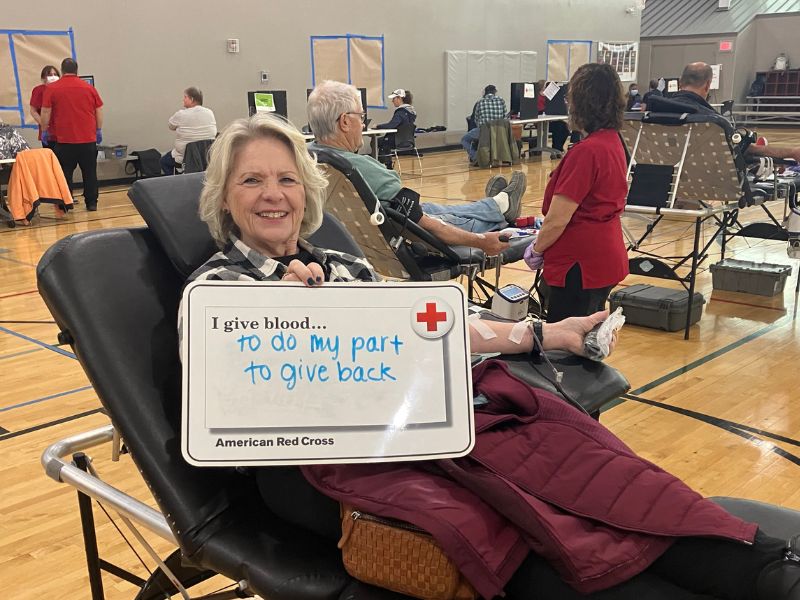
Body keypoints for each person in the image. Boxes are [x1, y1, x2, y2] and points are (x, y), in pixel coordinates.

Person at [184, 117, 800, 600]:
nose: (273, 195)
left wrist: (547, 335)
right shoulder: (214, 292)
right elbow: (222, 390)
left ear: (306, 191)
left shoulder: (348, 268)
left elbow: (440, 329)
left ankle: (772, 569)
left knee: (606, 483)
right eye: (252, 180)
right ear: (225, 197)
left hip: (436, 423)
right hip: (341, 465)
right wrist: (283, 324)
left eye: (286, 178)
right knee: (519, 531)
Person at [307, 80, 525, 256]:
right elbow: (426, 224)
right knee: (443, 215)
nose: (363, 124)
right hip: (406, 233)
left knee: (440, 208)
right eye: (361, 116)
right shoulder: (357, 168)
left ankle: (495, 204)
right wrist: (480, 241)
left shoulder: (307, 158)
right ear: (345, 122)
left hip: (370, 231)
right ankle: (498, 210)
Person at [524, 63, 629, 323]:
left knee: (565, 345)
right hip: (604, 258)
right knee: (588, 338)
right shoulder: (613, 141)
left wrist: (537, 249)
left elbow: (559, 218)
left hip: (579, 266)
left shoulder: (586, 152)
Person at [653, 62, 800, 163]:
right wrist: (792, 152)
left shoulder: (654, 113)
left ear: (680, 82)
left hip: (660, 176)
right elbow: (747, 150)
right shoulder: (712, 120)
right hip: (707, 177)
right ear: (708, 85)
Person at [41, 58, 103, 211]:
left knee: (65, 172)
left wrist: (44, 129)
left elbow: (46, 111)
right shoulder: (89, 88)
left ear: (62, 71)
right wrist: (98, 129)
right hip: (87, 139)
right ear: (77, 70)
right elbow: (98, 110)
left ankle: (66, 203)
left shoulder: (53, 89)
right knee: (89, 172)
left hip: (65, 140)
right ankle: (91, 203)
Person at [161, 86, 217, 175]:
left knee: (164, 161)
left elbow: (171, 126)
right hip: (206, 156)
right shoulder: (210, 112)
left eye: (185, 97)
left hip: (185, 156)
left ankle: (175, 184)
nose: (183, 100)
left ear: (191, 99)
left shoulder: (181, 114)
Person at [461, 84, 507, 164]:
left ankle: (476, 157)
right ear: (495, 92)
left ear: (484, 93)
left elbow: (476, 119)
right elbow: (504, 118)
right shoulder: (501, 100)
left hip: (484, 131)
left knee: (464, 140)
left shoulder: (480, 102)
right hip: (498, 131)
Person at [373, 88, 417, 169]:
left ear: (399, 98)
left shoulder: (400, 112)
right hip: (408, 141)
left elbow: (391, 125)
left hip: (397, 140)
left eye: (394, 98)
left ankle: (383, 166)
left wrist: (378, 126)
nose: (392, 101)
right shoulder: (412, 112)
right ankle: (387, 164)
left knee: (377, 141)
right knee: (385, 141)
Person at [29, 65, 60, 150]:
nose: (53, 77)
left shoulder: (61, 89)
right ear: (43, 78)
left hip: (63, 132)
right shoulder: (38, 90)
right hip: (48, 132)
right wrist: (43, 125)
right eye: (50, 75)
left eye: (55, 74)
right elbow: (33, 110)